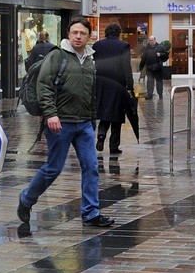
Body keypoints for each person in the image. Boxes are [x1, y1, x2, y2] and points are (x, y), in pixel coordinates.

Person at [17, 18, 116, 233]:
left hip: (84, 125)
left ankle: (91, 213)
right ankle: (26, 198)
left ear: (89, 36)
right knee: (53, 168)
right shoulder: (57, 55)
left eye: (82, 33)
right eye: (74, 33)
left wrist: (92, 121)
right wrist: (50, 114)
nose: (78, 36)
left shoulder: (90, 59)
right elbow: (43, 85)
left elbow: (90, 94)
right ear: (68, 34)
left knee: (91, 166)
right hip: (60, 123)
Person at [93, 24, 135, 156]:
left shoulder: (97, 45)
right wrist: (130, 85)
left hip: (101, 83)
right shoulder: (123, 46)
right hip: (118, 83)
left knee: (105, 111)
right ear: (118, 33)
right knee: (117, 114)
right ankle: (114, 146)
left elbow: (93, 62)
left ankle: (100, 135)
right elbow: (126, 67)